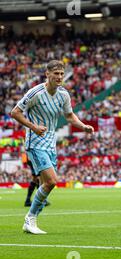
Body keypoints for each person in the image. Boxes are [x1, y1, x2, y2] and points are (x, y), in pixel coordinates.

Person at [10, 60, 94, 234]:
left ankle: (32, 220)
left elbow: (69, 116)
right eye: (56, 73)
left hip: (50, 144)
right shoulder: (36, 93)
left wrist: (83, 126)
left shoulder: (63, 94)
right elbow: (15, 112)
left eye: (62, 73)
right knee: (51, 181)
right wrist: (33, 127)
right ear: (47, 74)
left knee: (46, 185)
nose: (60, 77)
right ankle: (30, 219)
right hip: (35, 142)